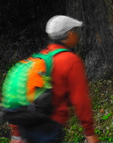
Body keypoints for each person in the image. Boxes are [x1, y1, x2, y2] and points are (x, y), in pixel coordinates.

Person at [10, 15, 99, 143]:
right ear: (69, 34)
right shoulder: (70, 60)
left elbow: (20, 92)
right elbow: (81, 99)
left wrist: (16, 133)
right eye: (75, 31)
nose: (77, 35)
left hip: (25, 124)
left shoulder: (38, 59)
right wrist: (89, 132)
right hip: (48, 127)